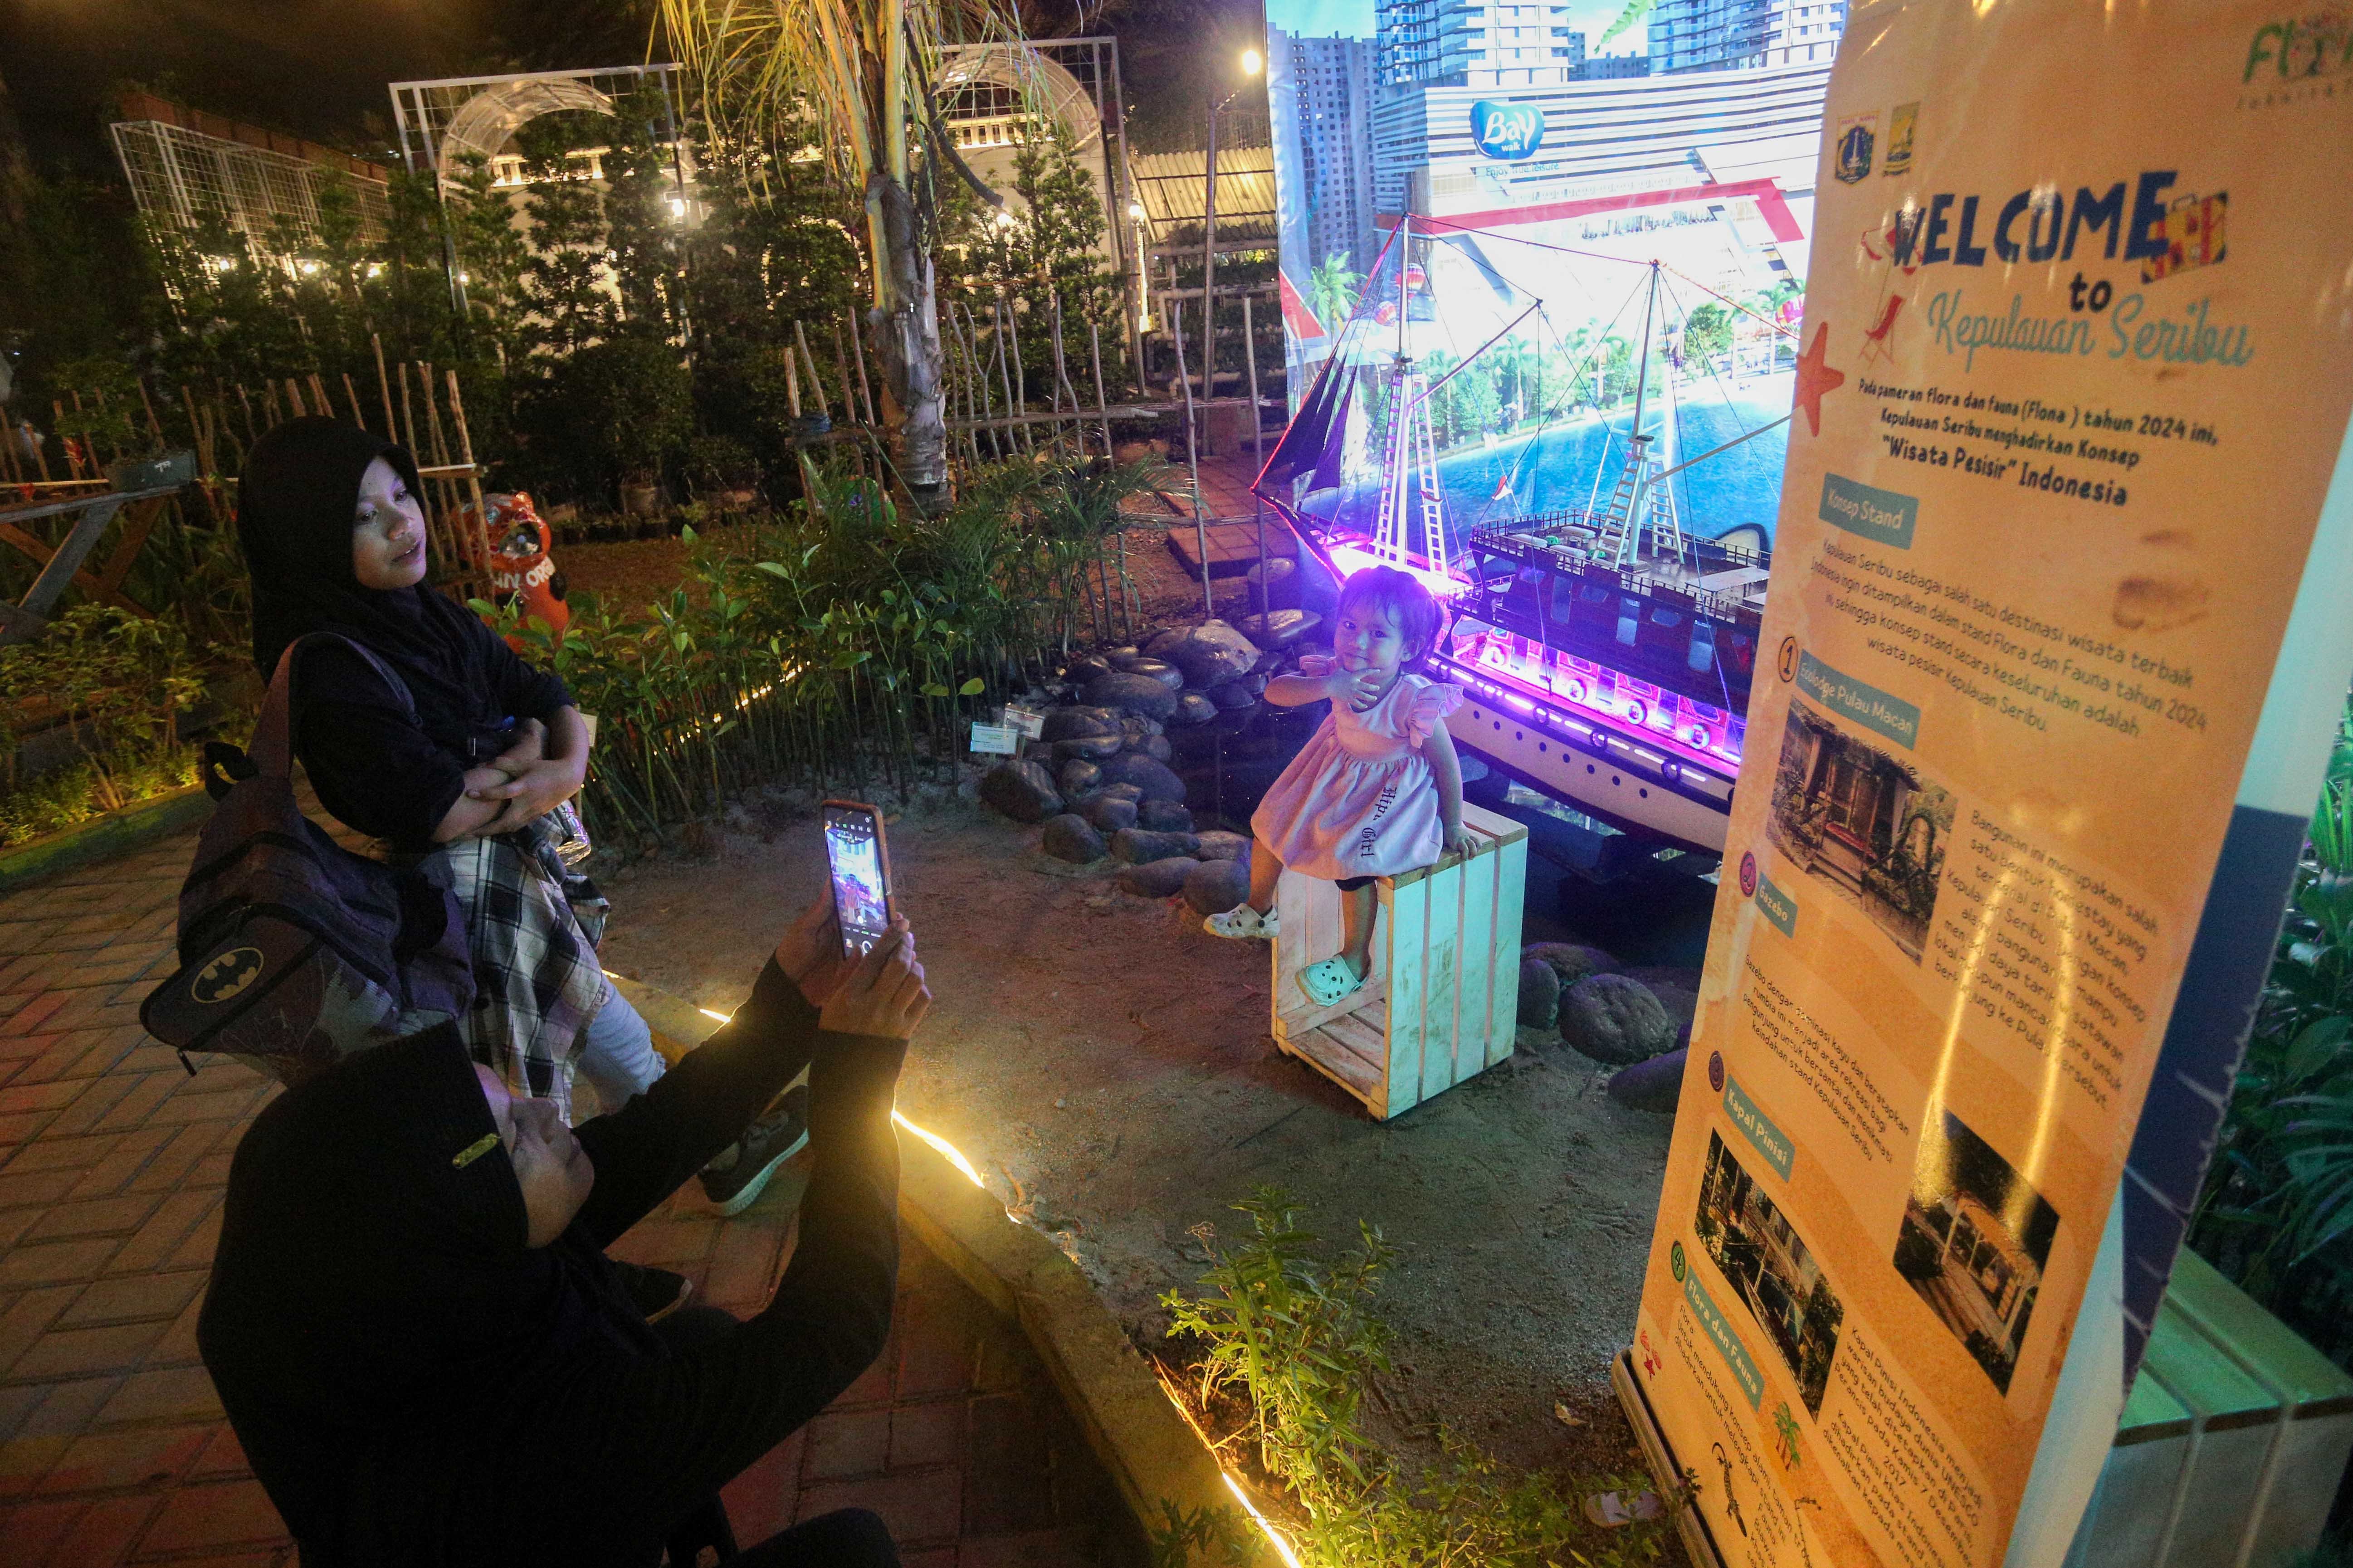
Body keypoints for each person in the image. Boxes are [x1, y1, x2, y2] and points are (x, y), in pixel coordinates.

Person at [197, 894, 930, 1568]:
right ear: (467, 1232)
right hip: (534, 1505)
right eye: (519, 1136)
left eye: (513, 1101)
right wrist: (857, 1088)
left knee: (695, 1338)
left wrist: (787, 1006)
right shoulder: (544, 1450)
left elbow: (644, 1142)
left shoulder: (403, 1283)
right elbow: (838, 1320)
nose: (552, 1114)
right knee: (852, 1552)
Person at [234, 418, 803, 1221]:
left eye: (401, 493)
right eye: (364, 515)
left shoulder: (428, 617)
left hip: (514, 879)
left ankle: (711, 1154)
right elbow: (430, 810)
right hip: (460, 911)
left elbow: (541, 696)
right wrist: (529, 753)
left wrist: (549, 757)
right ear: (307, 539)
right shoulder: (331, 664)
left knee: (604, 1034)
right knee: (525, 1115)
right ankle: (552, 1266)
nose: (403, 522)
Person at [1202, 566, 1469, 1006]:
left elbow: (1446, 764)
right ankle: (1259, 909)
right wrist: (1328, 684)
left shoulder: (1412, 698)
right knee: (1270, 823)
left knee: (1354, 861)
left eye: (1378, 633)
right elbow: (1276, 692)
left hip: (1391, 783)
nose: (1356, 642)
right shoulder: (1338, 672)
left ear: (1411, 647)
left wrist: (1453, 824)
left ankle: (1354, 960)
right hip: (1335, 767)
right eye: (1349, 625)